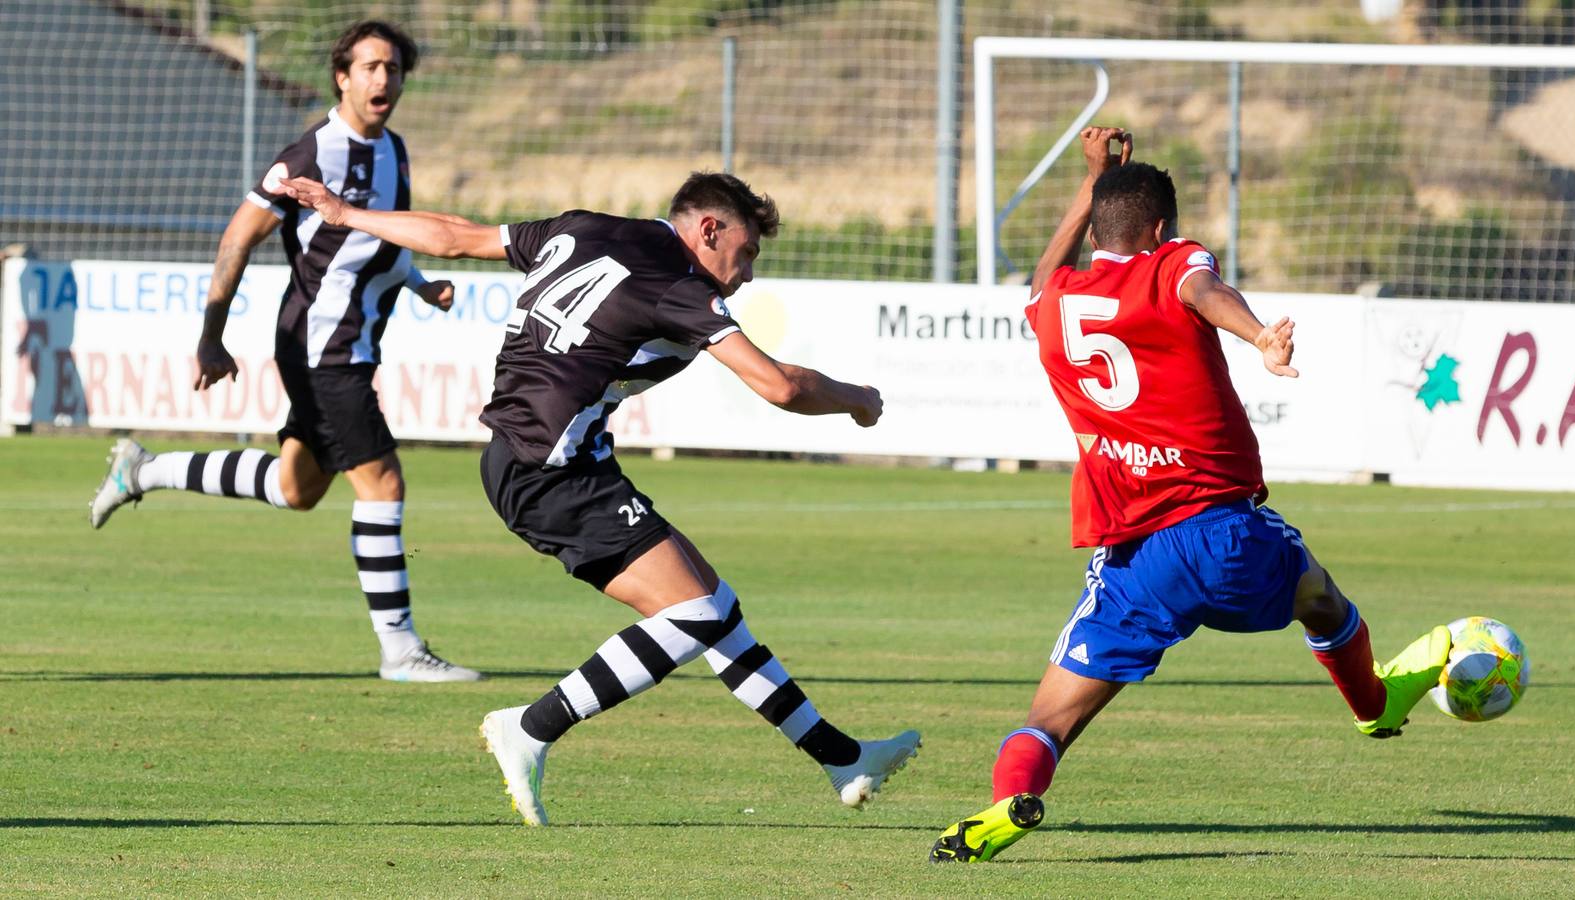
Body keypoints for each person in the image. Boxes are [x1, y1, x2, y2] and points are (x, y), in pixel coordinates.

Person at [280, 170, 921, 825]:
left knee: (716, 608)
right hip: (550, 473)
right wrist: (856, 401)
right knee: (694, 617)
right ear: (708, 230)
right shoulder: (681, 286)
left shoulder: (582, 228)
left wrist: (343, 211)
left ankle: (842, 758)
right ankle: (530, 728)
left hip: (540, 459)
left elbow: (451, 237)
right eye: (747, 251)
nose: (748, 272)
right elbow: (780, 385)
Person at [929, 128, 1454, 863]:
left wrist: (1090, 182)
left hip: (1133, 561)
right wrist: (1258, 337)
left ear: (1100, 225)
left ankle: (1005, 805)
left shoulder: (1056, 304)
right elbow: (1202, 291)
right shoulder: (1171, 263)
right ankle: (1373, 707)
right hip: (1224, 534)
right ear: (1159, 229)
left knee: (1049, 721)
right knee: (1321, 599)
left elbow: (1043, 275)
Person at [87, 21, 478, 683]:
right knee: (382, 482)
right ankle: (401, 651)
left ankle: (143, 470)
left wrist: (418, 283)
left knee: (295, 488)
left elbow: (378, 238)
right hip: (322, 347)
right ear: (342, 76)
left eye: (394, 69)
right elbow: (240, 236)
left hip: (351, 344)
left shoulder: (396, 151)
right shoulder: (312, 154)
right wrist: (211, 334)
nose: (385, 80)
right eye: (372, 67)